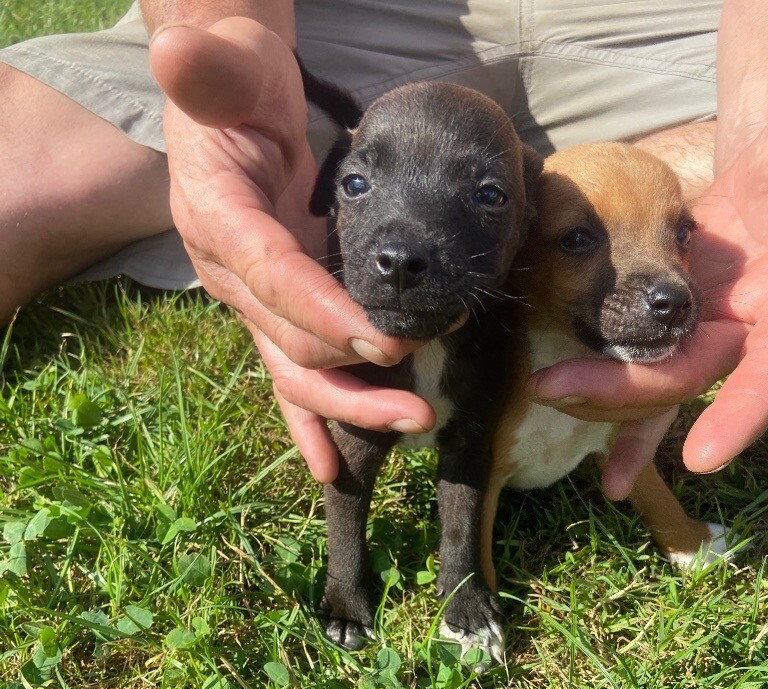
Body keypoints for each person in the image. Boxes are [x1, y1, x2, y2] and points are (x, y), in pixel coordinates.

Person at [1, 1, 764, 497]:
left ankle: (591, 193)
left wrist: (751, 136)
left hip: (678, 26)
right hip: (348, 23)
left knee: (673, 189)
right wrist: (228, 32)